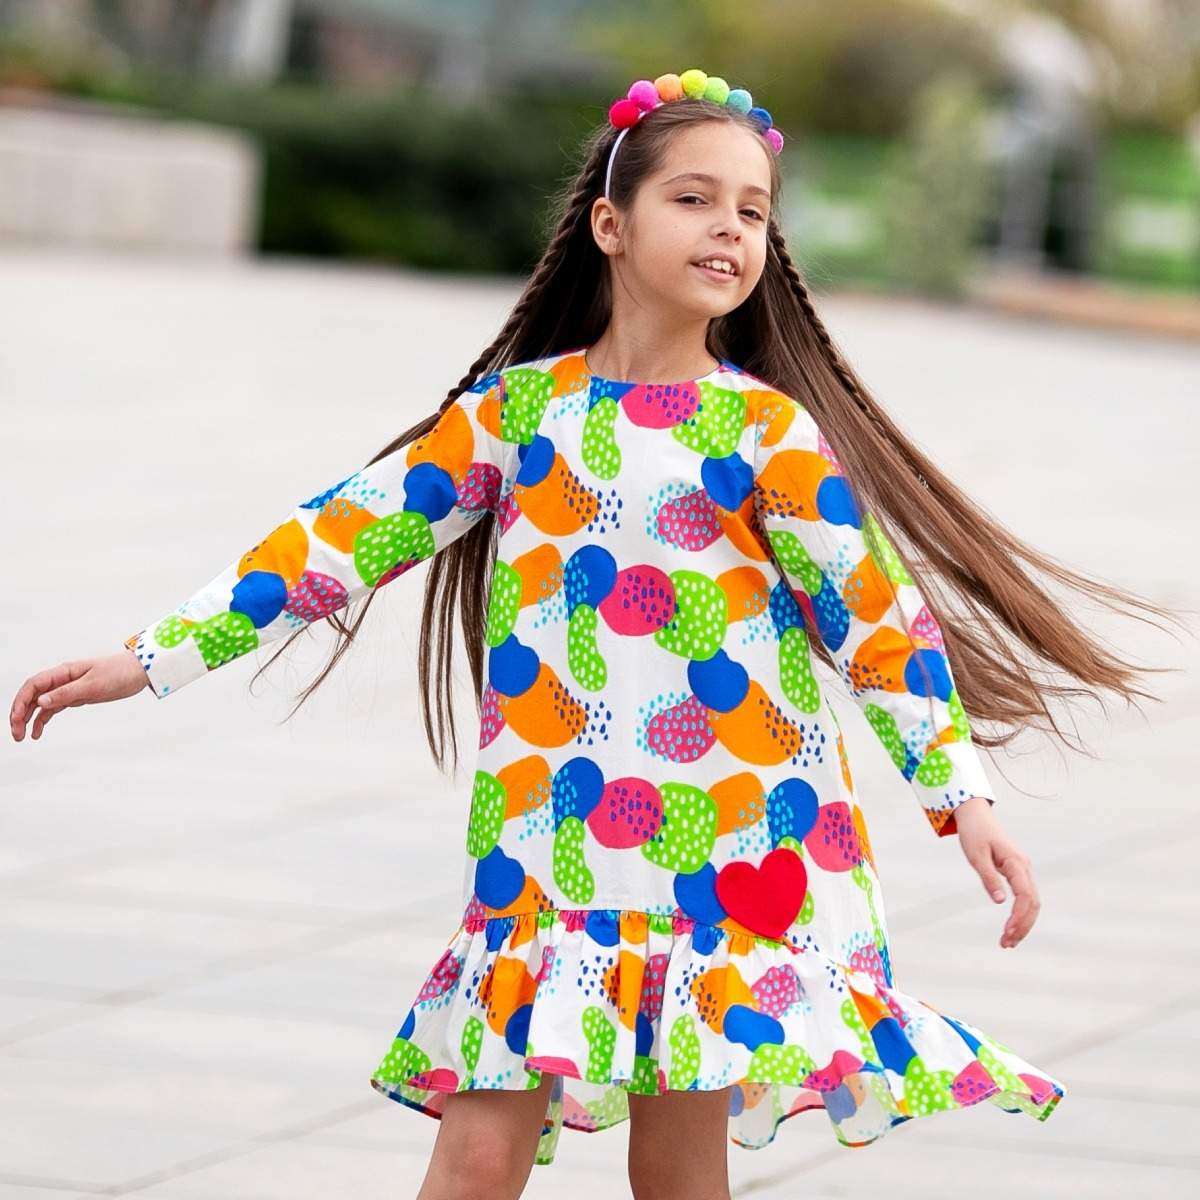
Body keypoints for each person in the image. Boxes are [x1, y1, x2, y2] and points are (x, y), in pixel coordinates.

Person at [9, 68, 1185, 1200]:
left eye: (754, 211)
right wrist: (150, 659)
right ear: (611, 226)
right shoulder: (520, 417)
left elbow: (875, 618)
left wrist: (961, 797)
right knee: (476, 1160)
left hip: (734, 861)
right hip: (548, 859)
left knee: (675, 1175)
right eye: (694, 199)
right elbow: (339, 537)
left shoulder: (768, 436)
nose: (730, 229)